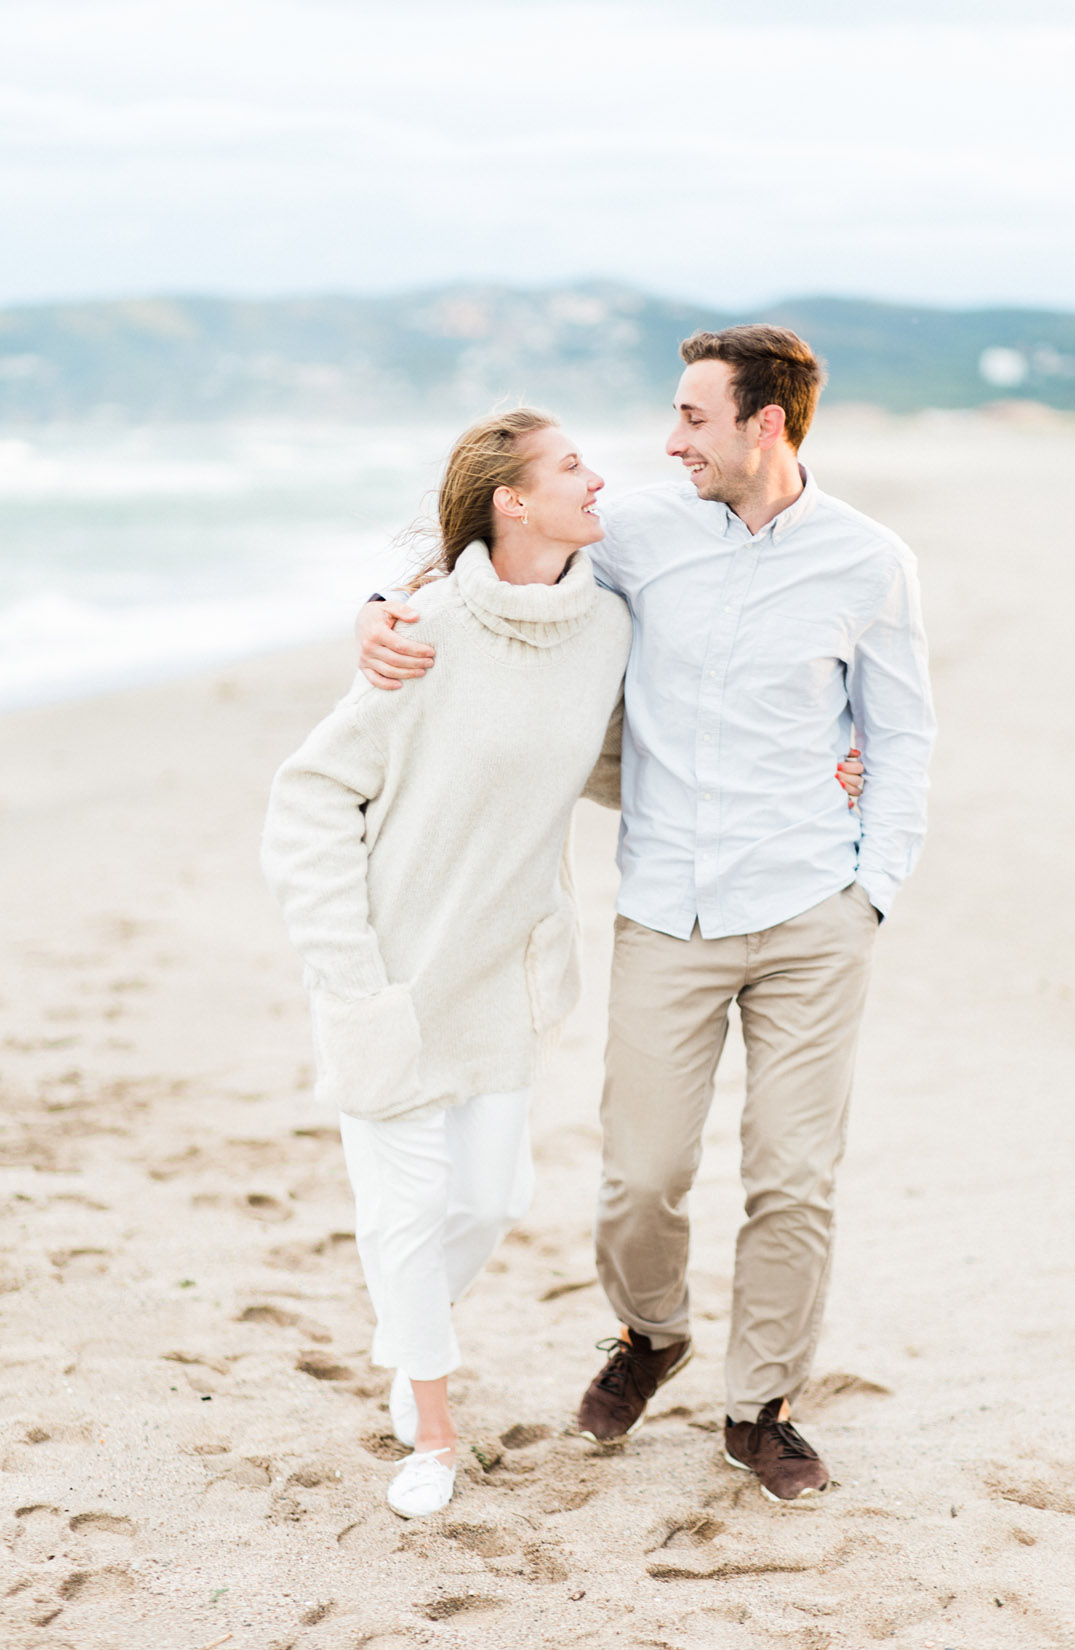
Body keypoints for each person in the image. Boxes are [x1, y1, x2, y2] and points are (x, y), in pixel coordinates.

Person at [355, 323, 934, 1504]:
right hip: (667, 906)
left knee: (791, 1178)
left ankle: (757, 1407)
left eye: (691, 419)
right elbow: (503, 561)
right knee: (639, 1175)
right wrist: (382, 602)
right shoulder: (638, 537)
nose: (668, 441)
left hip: (812, 912)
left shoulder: (870, 562)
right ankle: (650, 1334)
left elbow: (900, 731)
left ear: (762, 426)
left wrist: (873, 888)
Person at [261, 408, 634, 1518]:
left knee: (489, 1196)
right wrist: (347, 968)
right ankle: (427, 1426)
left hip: (502, 973)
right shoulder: (418, 629)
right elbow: (311, 791)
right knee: (405, 1210)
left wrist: (816, 769)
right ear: (512, 499)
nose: (597, 478)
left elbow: (616, 767)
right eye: (573, 467)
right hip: (388, 974)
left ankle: (399, 1332)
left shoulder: (606, 628)